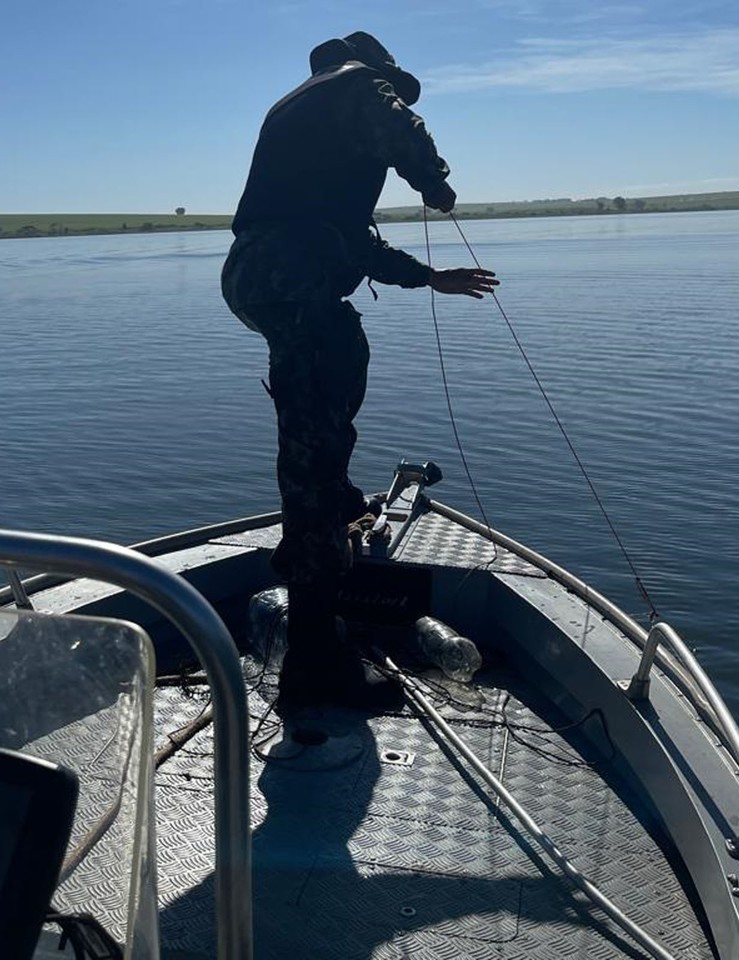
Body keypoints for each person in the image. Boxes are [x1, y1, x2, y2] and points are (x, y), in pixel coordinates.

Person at [221, 31, 497, 713]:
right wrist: (435, 182)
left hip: (265, 276)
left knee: (327, 371)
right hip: (294, 274)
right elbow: (400, 125)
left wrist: (430, 277)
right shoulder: (356, 86)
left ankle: (329, 494)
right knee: (315, 434)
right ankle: (316, 659)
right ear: (378, 72)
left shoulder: (300, 119)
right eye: (391, 83)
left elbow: (352, 245)